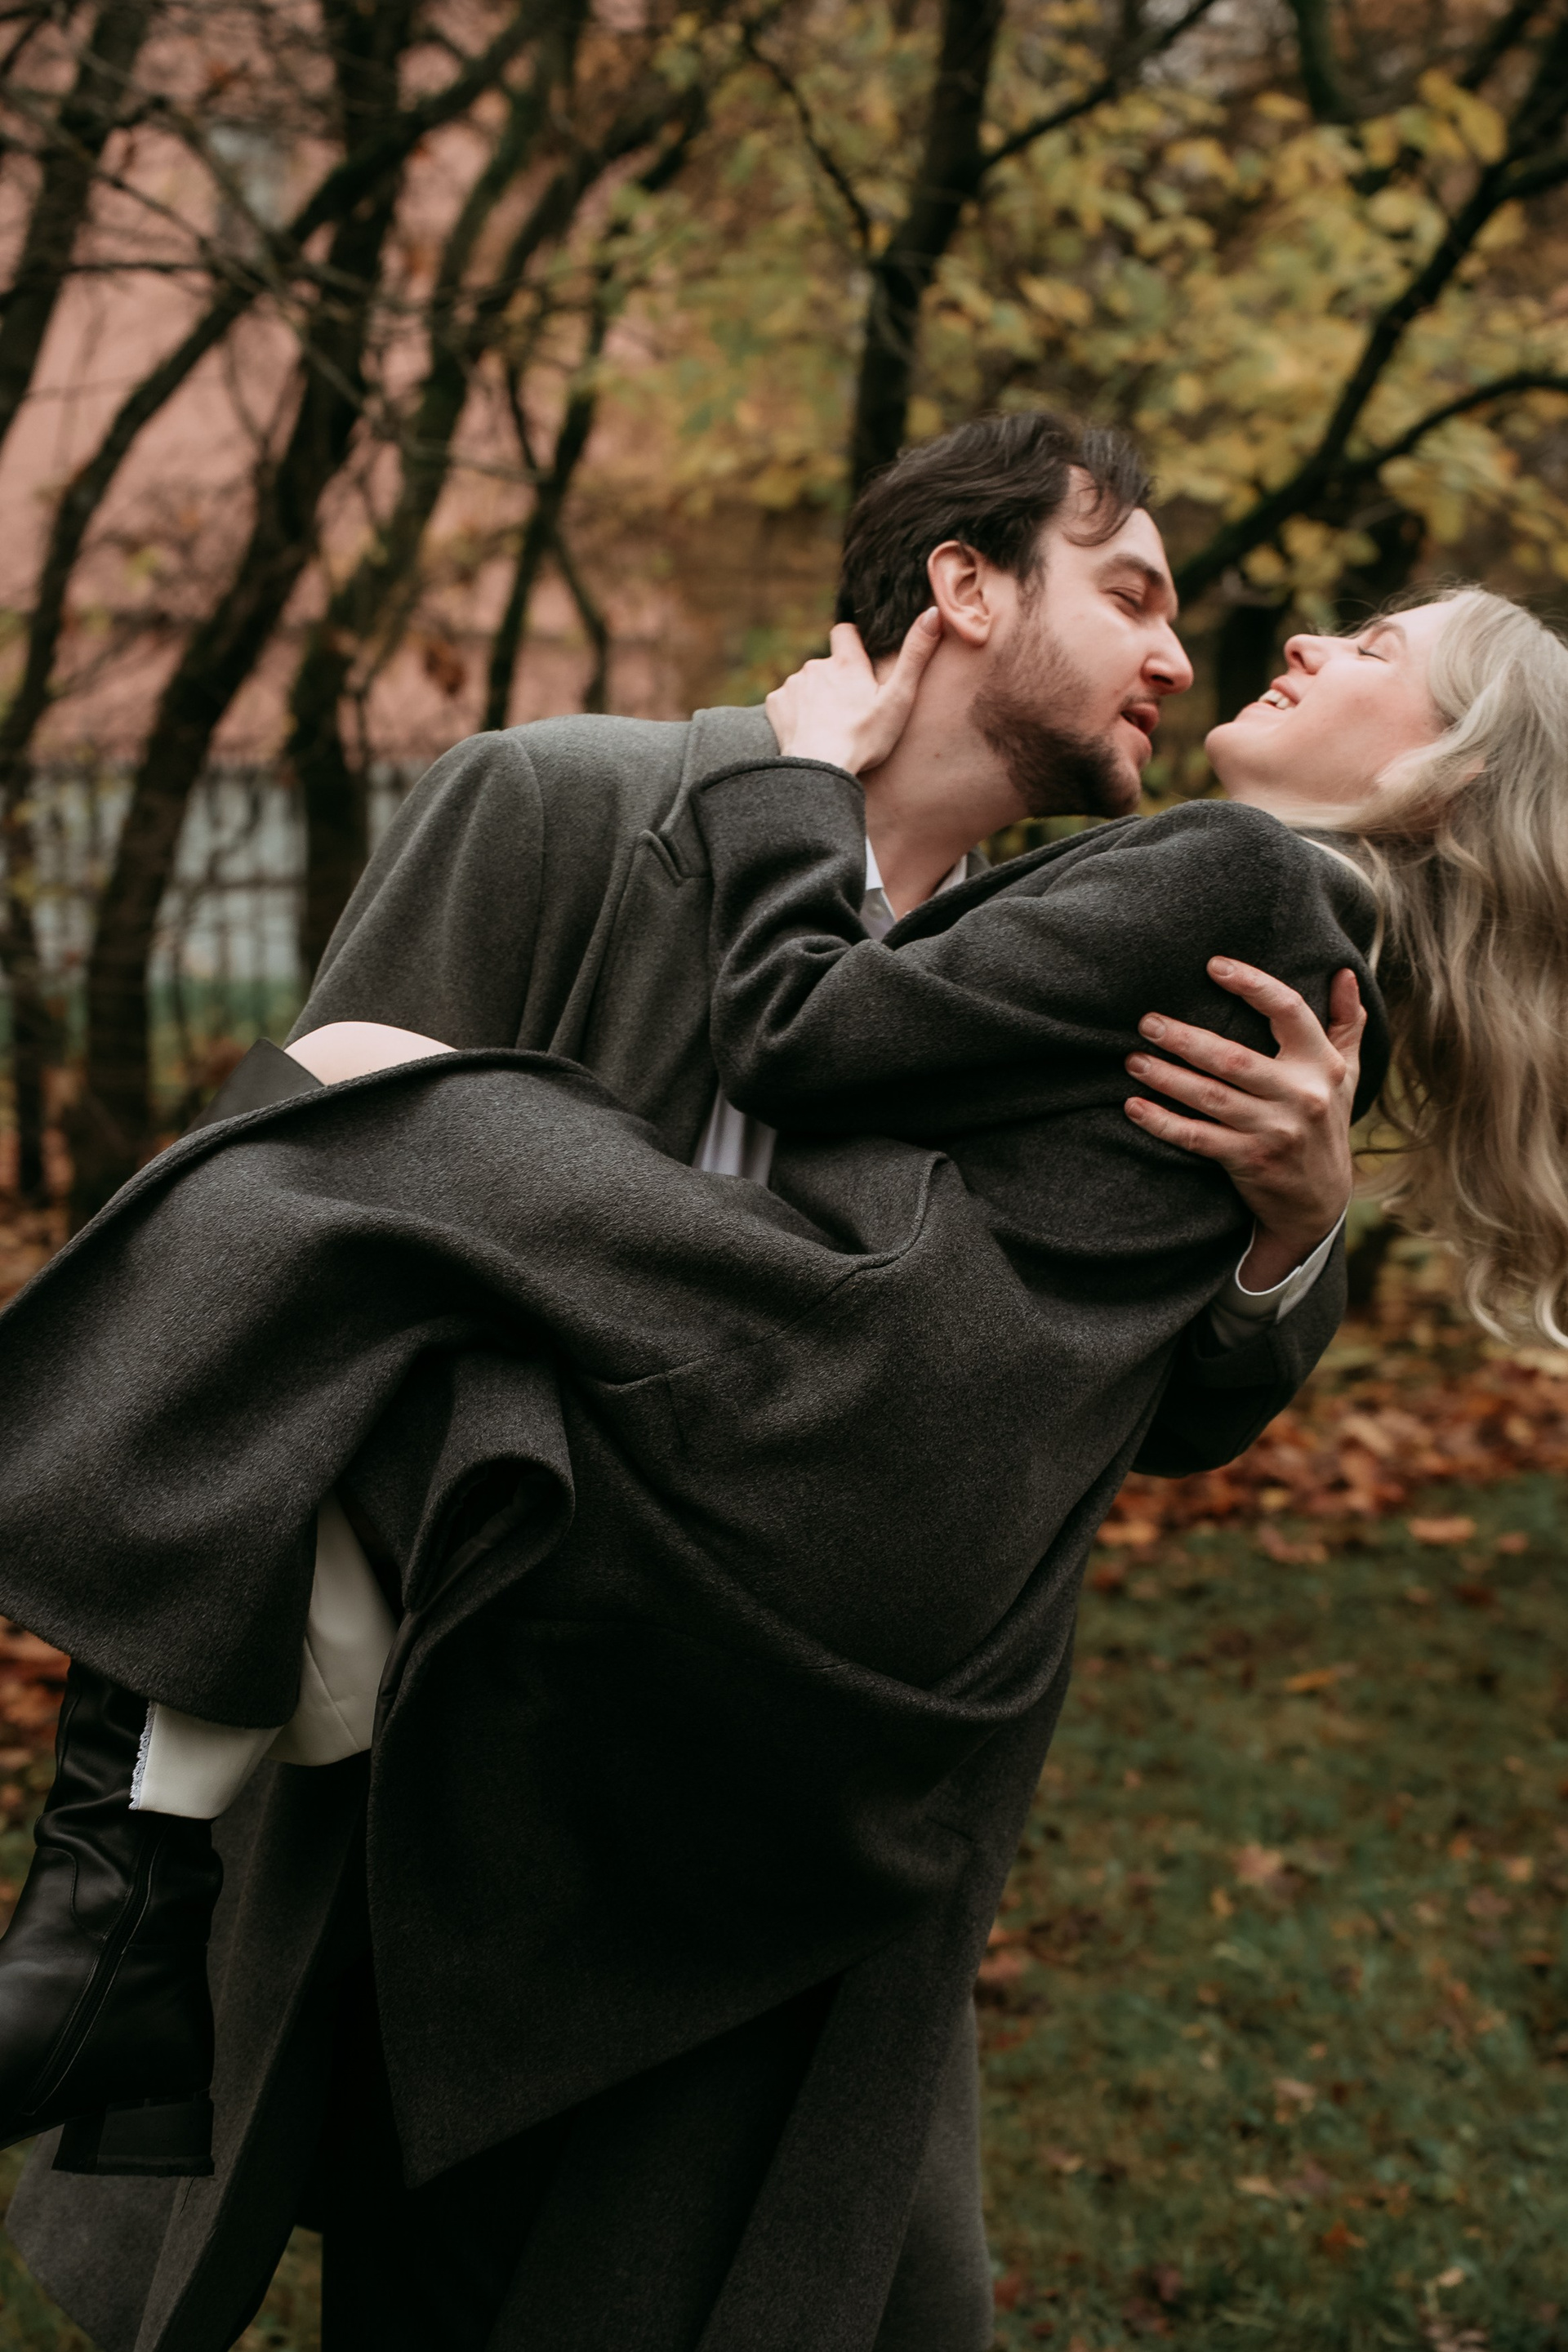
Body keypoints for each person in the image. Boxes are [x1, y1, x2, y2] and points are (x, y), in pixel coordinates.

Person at [0, 419, 1388, 2352]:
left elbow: (1113, 1409)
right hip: (475, 1771)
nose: (1177, 651)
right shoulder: (560, 803)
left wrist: (1293, 1233)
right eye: (1132, 591)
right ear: (967, 588)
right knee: (433, 2281)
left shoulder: (1066, 960)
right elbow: (284, 1271)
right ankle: (107, 1910)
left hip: (798, 1799)